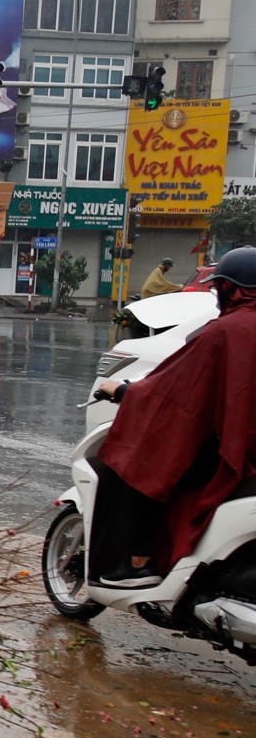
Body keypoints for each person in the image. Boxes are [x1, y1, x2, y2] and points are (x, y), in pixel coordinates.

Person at [91, 245, 256, 586]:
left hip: (236, 456)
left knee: (143, 462)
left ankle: (139, 564)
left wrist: (121, 391)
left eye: (218, 290)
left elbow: (174, 396)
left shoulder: (226, 331)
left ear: (230, 289)